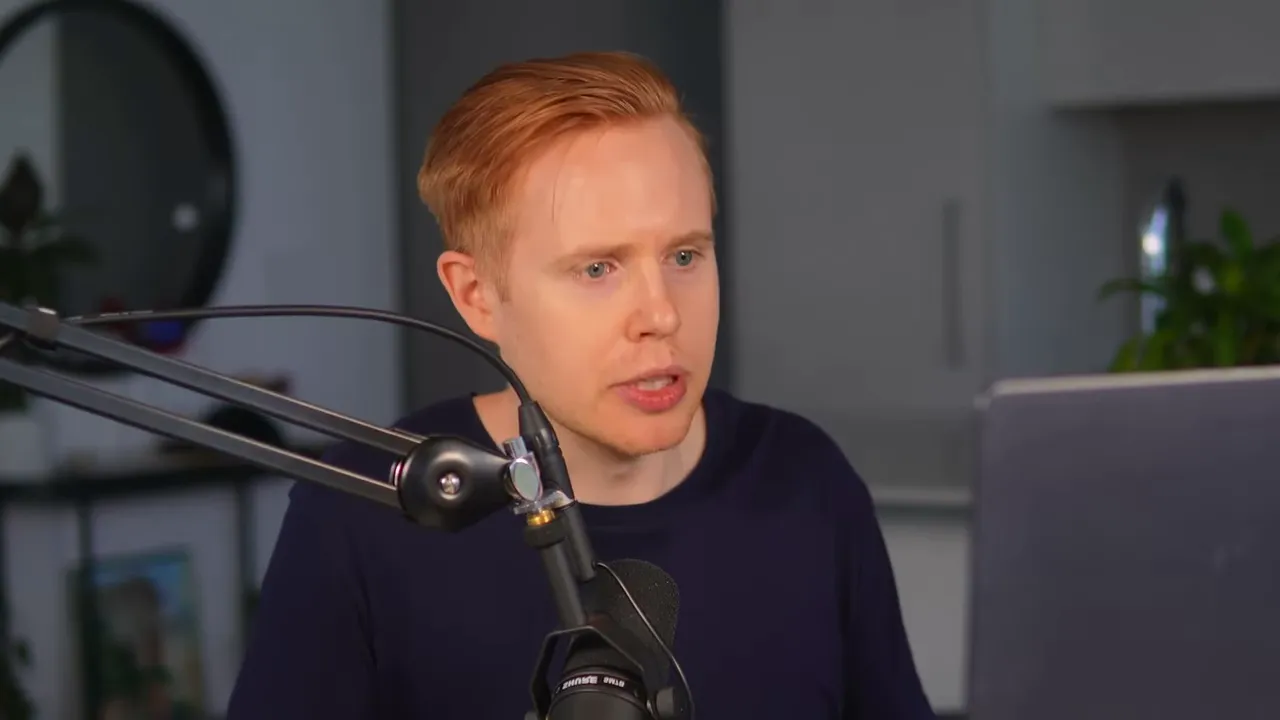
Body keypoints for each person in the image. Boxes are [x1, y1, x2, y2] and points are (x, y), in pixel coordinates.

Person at [227, 51, 936, 719]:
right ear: (476, 295)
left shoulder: (806, 481)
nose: (661, 315)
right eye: (598, 269)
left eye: (685, 255)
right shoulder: (363, 514)